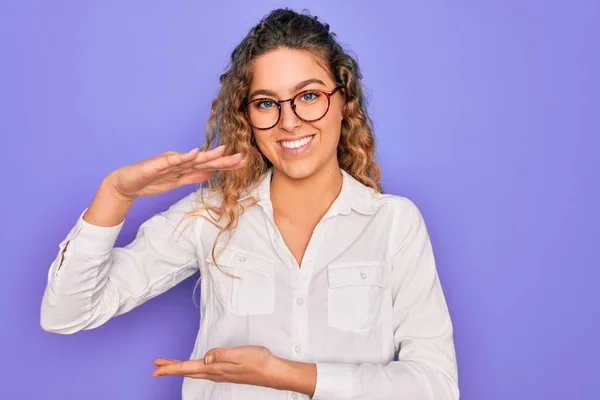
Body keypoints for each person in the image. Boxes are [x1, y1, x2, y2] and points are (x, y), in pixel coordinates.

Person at [40, 8, 459, 400]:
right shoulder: (212, 215)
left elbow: (437, 385)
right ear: (247, 117)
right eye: (266, 103)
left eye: (309, 95)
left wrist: (286, 374)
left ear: (343, 99)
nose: (290, 120)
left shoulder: (393, 223)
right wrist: (116, 193)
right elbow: (67, 313)